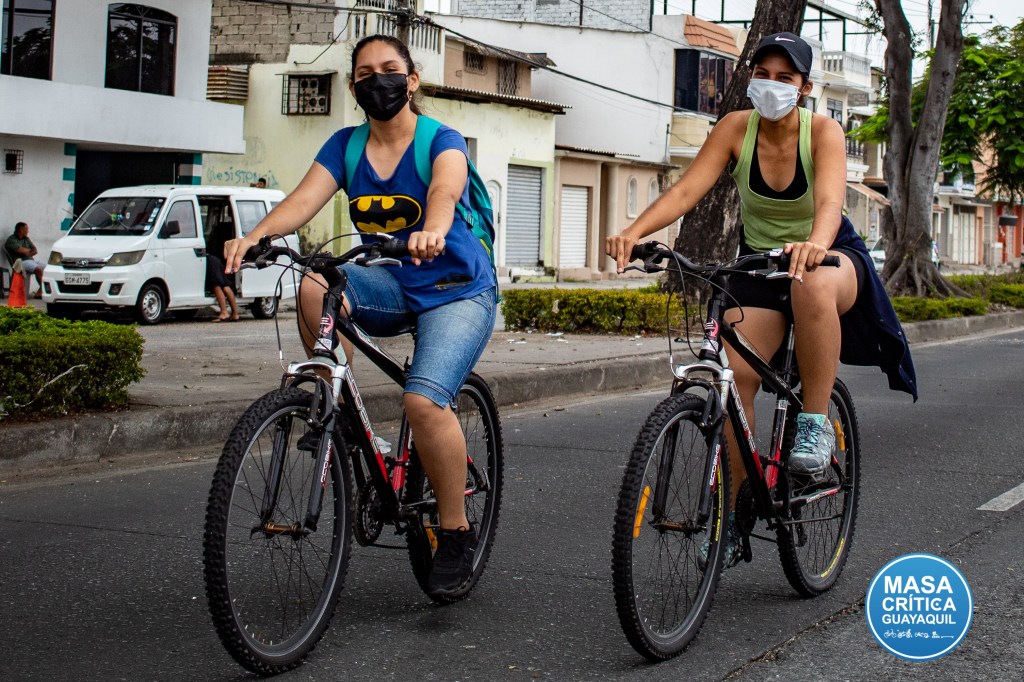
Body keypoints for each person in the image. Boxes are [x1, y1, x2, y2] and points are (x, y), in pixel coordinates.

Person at [607, 32, 916, 564]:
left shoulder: (822, 132)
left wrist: (815, 246)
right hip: (759, 264)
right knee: (734, 381)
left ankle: (815, 424)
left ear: (805, 88)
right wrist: (634, 231)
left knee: (812, 282)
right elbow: (686, 191)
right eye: (763, 75)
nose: (771, 86)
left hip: (829, 256)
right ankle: (733, 513)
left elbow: (830, 201)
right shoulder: (734, 128)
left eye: (785, 78)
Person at [224, 35, 497, 597]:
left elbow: (445, 190)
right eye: (367, 73)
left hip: (454, 288)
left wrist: (435, 229)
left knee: (423, 401)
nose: (380, 80)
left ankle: (455, 529)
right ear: (353, 87)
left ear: (412, 79)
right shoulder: (347, 146)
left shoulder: (439, 140)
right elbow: (304, 199)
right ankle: (333, 404)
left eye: (391, 69)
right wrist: (256, 236)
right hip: (391, 282)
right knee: (314, 283)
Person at [5, 222, 45, 298]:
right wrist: (29, 251)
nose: (28, 231)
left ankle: (41, 290)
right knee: (38, 269)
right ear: (21, 230)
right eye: (26, 229)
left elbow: (35, 250)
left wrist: (27, 251)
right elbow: (20, 250)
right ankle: (42, 290)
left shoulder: (26, 239)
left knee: (48, 268)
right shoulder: (11, 240)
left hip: (31, 260)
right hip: (20, 262)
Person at [205, 253, 239, 322]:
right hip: (216, 259)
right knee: (225, 284)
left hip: (209, 259)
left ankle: (224, 312)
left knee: (216, 284)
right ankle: (235, 314)